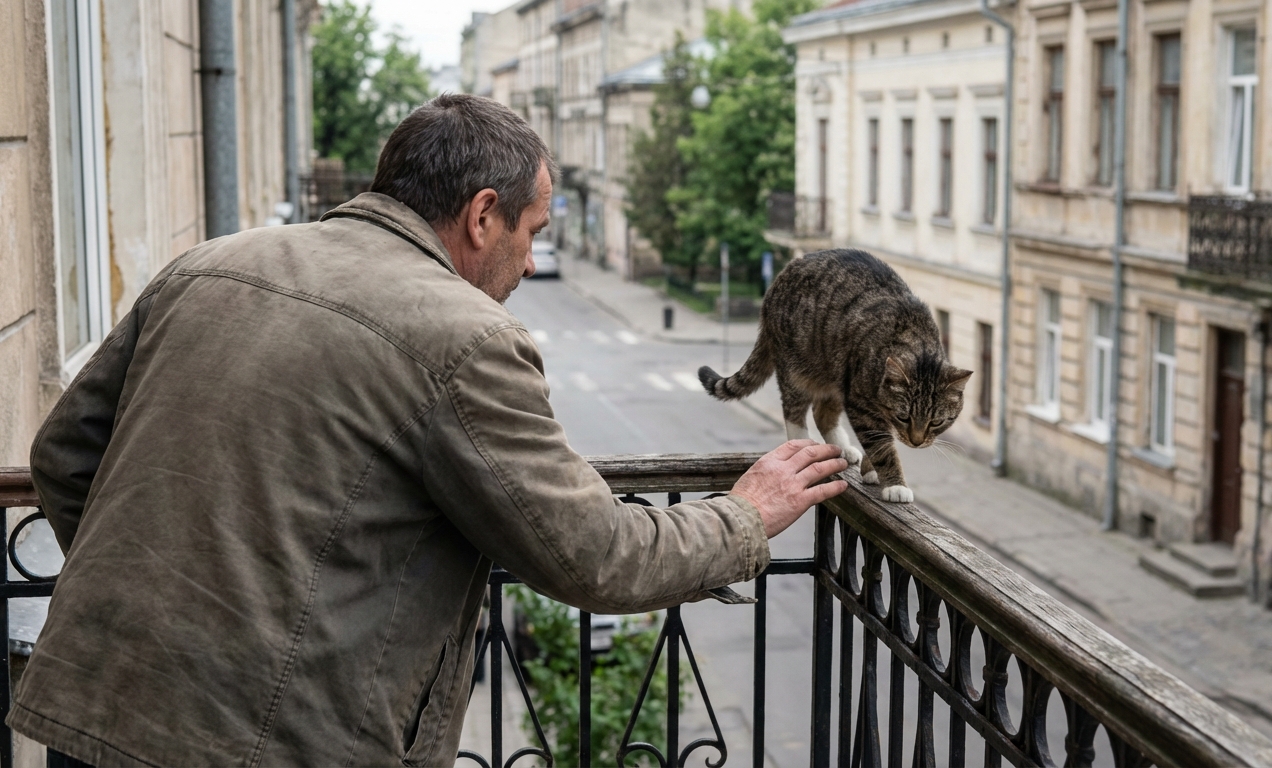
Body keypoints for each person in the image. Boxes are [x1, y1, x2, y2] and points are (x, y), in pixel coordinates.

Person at [12, 94, 849, 766]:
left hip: (99, 706)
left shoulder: (208, 264)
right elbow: (591, 555)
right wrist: (744, 516)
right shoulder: (466, 335)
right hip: (279, 742)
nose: (530, 264)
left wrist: (159, 597)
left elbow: (62, 457)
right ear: (484, 214)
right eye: (533, 235)